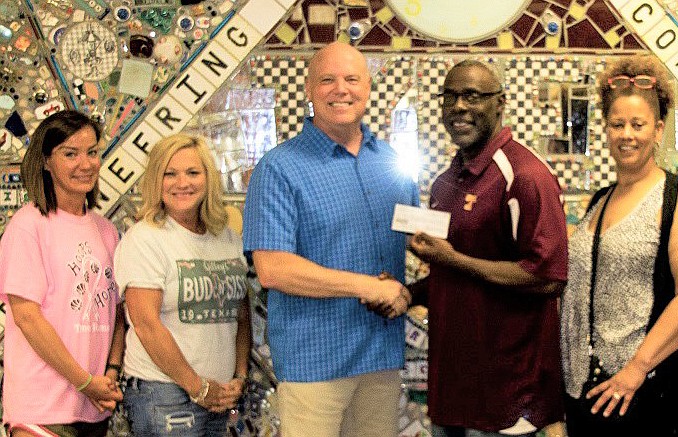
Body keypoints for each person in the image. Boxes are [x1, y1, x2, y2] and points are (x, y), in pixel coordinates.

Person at [242, 41, 419, 437]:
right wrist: (366, 287)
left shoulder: (391, 162)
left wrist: (407, 292)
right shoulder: (279, 168)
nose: (341, 89)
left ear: (368, 87)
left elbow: (415, 245)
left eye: (351, 79)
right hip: (315, 362)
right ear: (309, 89)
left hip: (380, 355)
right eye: (327, 80)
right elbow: (273, 270)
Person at [409, 60, 568, 437]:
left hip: (507, 394)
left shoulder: (526, 175)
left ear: (500, 103)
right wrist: (407, 292)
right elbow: (453, 277)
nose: (459, 106)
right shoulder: (447, 182)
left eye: (473, 96)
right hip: (453, 390)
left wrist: (452, 258)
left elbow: (548, 277)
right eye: (451, 96)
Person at [560, 55, 678, 436]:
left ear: (657, 129)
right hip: (585, 392)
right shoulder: (598, 201)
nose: (627, 135)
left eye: (637, 125)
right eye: (617, 124)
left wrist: (637, 368)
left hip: (643, 391)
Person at [114, 133, 252, 436]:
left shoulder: (226, 237)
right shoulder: (145, 238)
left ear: (208, 179)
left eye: (192, 172)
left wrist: (238, 377)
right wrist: (197, 386)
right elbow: (146, 325)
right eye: (170, 174)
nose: (182, 183)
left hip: (218, 394)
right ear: (155, 180)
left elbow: (241, 315)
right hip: (164, 394)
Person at [0, 110, 124, 436]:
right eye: (70, 154)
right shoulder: (28, 226)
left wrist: (109, 372)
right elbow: (27, 317)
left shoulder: (107, 231)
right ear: (45, 161)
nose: (86, 164)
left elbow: (118, 312)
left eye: (92, 152)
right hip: (41, 407)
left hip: (93, 408)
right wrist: (84, 382)